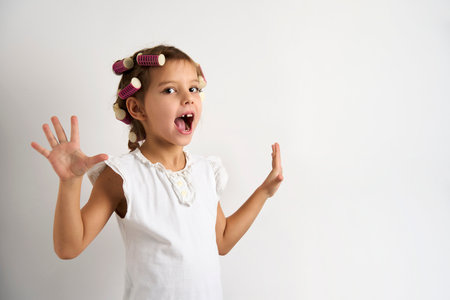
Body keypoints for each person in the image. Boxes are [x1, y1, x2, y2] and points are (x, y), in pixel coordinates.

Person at [31, 45, 283, 300]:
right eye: (170, 90)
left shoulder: (206, 171)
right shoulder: (122, 176)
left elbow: (223, 240)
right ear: (137, 109)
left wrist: (264, 192)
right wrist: (71, 183)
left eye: (194, 88)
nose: (188, 97)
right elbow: (69, 247)